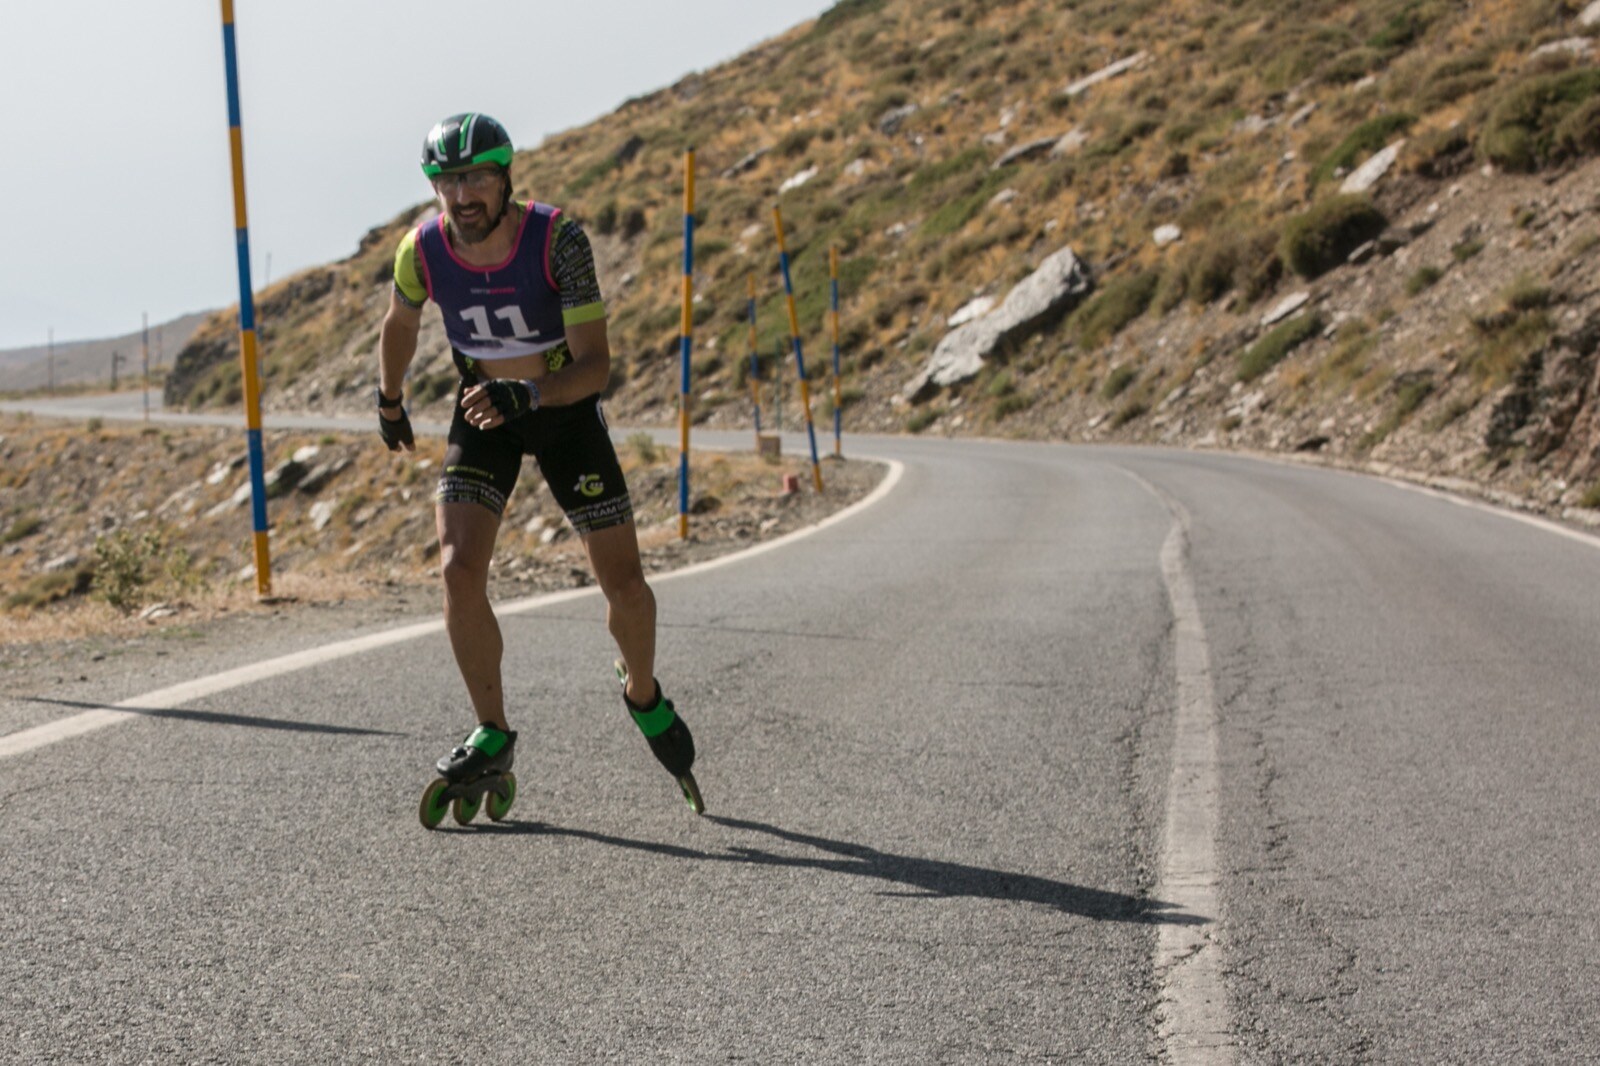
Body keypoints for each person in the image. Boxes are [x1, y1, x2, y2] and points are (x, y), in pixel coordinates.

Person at [376, 112, 701, 815]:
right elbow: (401, 324)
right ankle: (491, 732)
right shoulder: (421, 249)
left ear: (506, 178)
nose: (463, 196)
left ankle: (642, 692)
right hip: (486, 407)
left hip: (559, 407)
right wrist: (390, 398)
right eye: (448, 181)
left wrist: (529, 393)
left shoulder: (559, 239)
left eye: (478, 179)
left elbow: (596, 366)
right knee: (457, 568)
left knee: (627, 587)